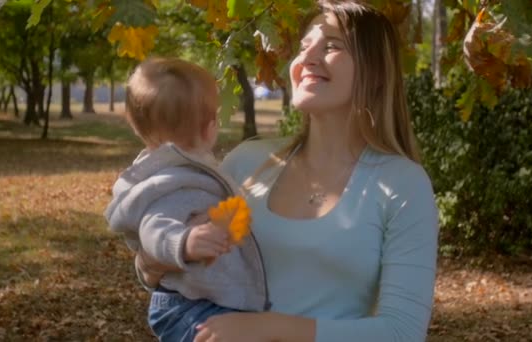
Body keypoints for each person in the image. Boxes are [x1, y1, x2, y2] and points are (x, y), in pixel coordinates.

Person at [139, 1, 439, 341]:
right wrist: (155, 261)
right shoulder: (245, 162)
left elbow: (402, 332)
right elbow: (163, 265)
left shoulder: (402, 183)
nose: (307, 59)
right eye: (303, 46)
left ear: (377, 72)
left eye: (332, 46)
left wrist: (268, 328)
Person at [104, 57, 270, 342]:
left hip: (204, 301)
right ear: (210, 128)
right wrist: (183, 242)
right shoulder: (170, 181)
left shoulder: (187, 170)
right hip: (188, 307)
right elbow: (154, 226)